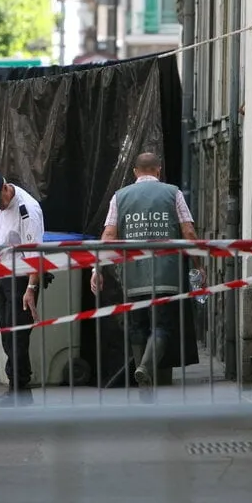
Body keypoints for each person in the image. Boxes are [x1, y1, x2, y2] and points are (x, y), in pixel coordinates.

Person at [90, 152, 200, 402]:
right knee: (162, 326)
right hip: (167, 273)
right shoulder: (173, 193)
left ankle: (144, 383)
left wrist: (97, 269)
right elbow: (189, 232)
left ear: (134, 172)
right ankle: (146, 369)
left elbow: (108, 235)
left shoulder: (120, 197)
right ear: (158, 170)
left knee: (137, 327)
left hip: (132, 275)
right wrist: (198, 264)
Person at [0, 171, 45, 407]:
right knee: (8, 334)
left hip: (22, 277)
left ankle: (20, 390)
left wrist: (31, 288)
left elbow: (36, 255)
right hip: (4, 274)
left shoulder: (27, 210)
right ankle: (18, 389)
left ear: (5, 189)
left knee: (17, 335)